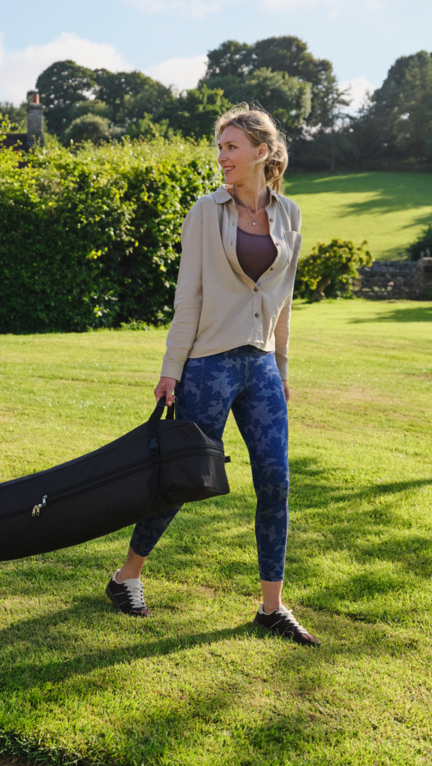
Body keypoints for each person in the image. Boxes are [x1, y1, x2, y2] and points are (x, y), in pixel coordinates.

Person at [106, 105, 321, 645]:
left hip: (262, 366)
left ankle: (271, 608)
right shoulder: (206, 211)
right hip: (208, 364)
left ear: (262, 153)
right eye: (220, 147)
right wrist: (170, 370)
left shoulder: (290, 215)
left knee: (276, 482)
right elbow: (189, 297)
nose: (221, 157)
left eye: (230, 147)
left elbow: (285, 301)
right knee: (182, 478)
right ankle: (125, 576)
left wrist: (282, 366)